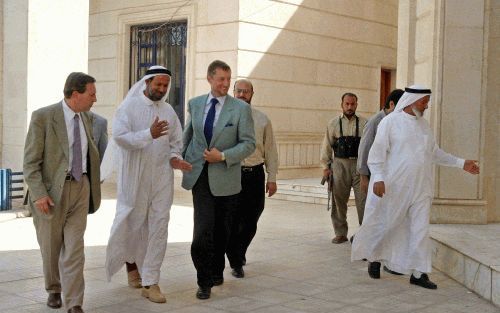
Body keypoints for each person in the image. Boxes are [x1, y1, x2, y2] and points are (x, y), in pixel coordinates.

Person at [351, 85, 480, 289]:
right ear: (412, 100)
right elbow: (377, 153)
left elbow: (434, 153)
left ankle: (419, 273)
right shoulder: (390, 122)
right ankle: (374, 258)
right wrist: (378, 179)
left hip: (421, 187)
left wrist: (461, 163)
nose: (427, 105)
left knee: (420, 230)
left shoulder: (424, 126)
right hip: (394, 187)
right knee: (387, 224)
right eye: (424, 101)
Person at [104, 65, 192, 303]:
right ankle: (132, 266)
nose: (162, 90)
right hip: (135, 177)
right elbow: (120, 138)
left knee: (159, 225)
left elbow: (176, 141)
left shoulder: (168, 111)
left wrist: (176, 159)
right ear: (147, 83)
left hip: (162, 176)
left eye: (165, 86)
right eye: (158, 85)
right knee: (133, 223)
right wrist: (148, 134)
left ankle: (151, 281)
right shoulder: (128, 107)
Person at [23, 72, 102, 313]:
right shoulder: (43, 117)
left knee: (75, 247)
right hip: (51, 193)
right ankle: (53, 288)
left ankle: (74, 303)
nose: (95, 99)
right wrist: (38, 194)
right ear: (75, 94)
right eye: (92, 93)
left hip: (81, 187)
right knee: (51, 247)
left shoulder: (88, 118)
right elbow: (30, 162)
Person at [182, 60, 255, 300]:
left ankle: (216, 269)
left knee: (222, 230)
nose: (225, 83)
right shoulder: (195, 104)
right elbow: (189, 136)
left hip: (226, 177)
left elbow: (248, 144)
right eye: (221, 79)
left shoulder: (241, 109)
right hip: (200, 175)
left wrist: (222, 156)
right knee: (202, 230)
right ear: (210, 78)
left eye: (228, 79)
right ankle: (203, 280)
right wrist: (181, 160)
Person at [226, 79, 279, 279]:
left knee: (252, 218)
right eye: (238, 91)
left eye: (245, 92)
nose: (241, 94)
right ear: (233, 92)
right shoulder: (225, 117)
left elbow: (271, 150)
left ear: (252, 94)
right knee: (231, 218)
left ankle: (237, 251)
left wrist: (271, 177)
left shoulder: (262, 119)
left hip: (255, 174)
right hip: (231, 173)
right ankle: (236, 259)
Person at [320, 93, 367, 244]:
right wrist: (326, 167)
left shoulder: (365, 123)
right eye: (347, 104)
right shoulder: (333, 123)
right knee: (338, 200)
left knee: (364, 201)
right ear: (342, 105)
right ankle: (340, 233)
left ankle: (365, 233)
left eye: (352, 104)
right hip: (340, 165)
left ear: (356, 105)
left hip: (359, 166)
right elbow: (326, 146)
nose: (349, 107)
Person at [357, 89, 404, 195]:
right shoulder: (375, 122)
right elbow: (365, 148)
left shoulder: (396, 122)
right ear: (392, 104)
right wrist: (363, 176)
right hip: (373, 174)